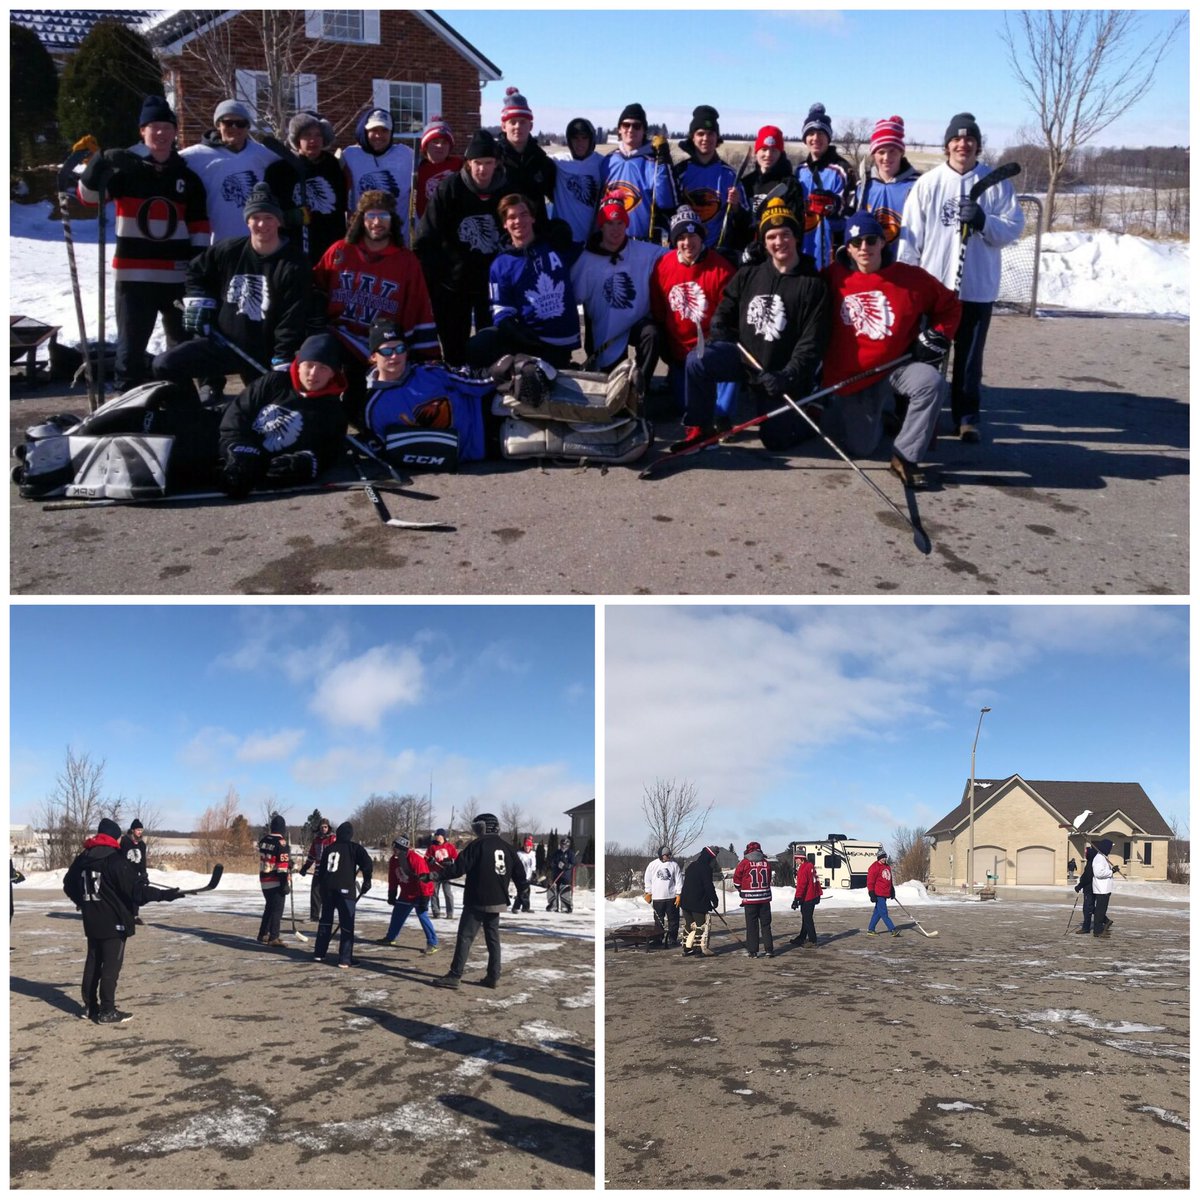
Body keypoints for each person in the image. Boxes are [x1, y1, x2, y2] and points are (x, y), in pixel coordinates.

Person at [897, 111, 1025, 442]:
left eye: (969, 139)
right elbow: (911, 237)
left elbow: (1013, 228)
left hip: (977, 288)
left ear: (978, 145)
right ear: (947, 145)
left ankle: (966, 418)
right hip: (935, 288)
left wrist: (983, 221)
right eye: (956, 139)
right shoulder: (929, 183)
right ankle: (924, 418)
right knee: (928, 355)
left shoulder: (995, 183)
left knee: (969, 360)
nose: (962, 144)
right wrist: (909, 282)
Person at [77, 94, 209, 391]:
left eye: (167, 127)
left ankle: (180, 404)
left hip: (176, 277)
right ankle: (127, 403)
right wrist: (100, 161)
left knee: (180, 349)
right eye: (154, 127)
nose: (161, 133)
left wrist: (196, 269)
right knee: (131, 349)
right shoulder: (126, 171)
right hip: (134, 278)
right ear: (142, 131)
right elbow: (88, 198)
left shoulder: (187, 178)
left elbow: (200, 228)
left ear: (175, 132)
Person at [820, 211, 962, 487]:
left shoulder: (911, 278)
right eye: (856, 242)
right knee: (862, 448)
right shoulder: (832, 277)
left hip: (897, 367)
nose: (864, 247)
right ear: (848, 248)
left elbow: (951, 306)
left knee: (931, 382)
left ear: (883, 242)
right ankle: (882, 414)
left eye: (871, 240)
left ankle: (905, 457)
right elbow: (798, 286)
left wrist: (940, 335)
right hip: (853, 378)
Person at [680, 197, 830, 451]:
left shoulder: (813, 284)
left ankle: (811, 412)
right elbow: (727, 305)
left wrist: (788, 374)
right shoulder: (750, 273)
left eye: (785, 234)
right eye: (771, 237)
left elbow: (811, 342)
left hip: (779, 372)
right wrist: (719, 322)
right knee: (698, 360)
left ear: (796, 237)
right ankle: (700, 427)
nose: (779, 242)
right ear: (764, 241)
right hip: (746, 359)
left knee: (775, 440)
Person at [153, 183, 311, 406]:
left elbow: (291, 318)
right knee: (165, 364)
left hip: (263, 352)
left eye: (268, 217)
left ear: (279, 220)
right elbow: (196, 272)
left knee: (270, 408)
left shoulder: (293, 264)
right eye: (255, 218)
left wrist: (282, 358)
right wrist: (200, 303)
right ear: (247, 221)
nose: (262, 224)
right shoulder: (228, 250)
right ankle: (192, 417)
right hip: (222, 344)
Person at [313, 188, 439, 418]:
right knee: (318, 353)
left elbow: (418, 308)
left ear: (393, 221)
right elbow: (314, 290)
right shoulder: (340, 251)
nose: (377, 222)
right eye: (371, 215)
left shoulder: (406, 261)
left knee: (364, 407)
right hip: (339, 337)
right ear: (361, 220)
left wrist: (426, 355)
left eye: (384, 216)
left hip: (380, 346)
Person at [63, 816, 184, 1023]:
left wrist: (83, 902)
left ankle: (90, 1007)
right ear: (113, 837)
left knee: (93, 962)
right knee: (111, 966)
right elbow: (137, 892)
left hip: (92, 920)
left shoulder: (84, 857)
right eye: (118, 837)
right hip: (114, 922)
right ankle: (107, 1010)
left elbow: (68, 884)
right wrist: (165, 895)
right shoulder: (114, 860)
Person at [413, 130, 508, 365]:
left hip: (492, 283)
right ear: (468, 163)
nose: (483, 169)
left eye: (488, 163)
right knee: (454, 348)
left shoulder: (507, 188)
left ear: (496, 163)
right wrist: (435, 279)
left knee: (492, 350)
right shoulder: (450, 189)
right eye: (478, 163)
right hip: (453, 283)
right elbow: (427, 238)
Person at [216, 332, 348, 498]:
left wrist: (306, 463)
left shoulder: (332, 410)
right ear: (298, 364)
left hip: (272, 465)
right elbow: (237, 414)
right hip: (232, 445)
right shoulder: (275, 382)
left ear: (333, 373)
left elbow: (332, 449)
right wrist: (237, 449)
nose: (313, 373)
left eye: (323, 368)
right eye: (309, 365)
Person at [469, 193, 580, 369]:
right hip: (527, 341)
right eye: (512, 217)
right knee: (480, 344)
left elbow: (594, 252)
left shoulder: (554, 246)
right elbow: (501, 311)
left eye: (523, 214)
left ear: (533, 218)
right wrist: (512, 330)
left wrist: (588, 240)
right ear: (504, 224)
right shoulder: (501, 264)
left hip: (559, 340)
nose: (518, 221)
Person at [362, 317, 490, 468]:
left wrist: (500, 374)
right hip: (473, 454)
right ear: (373, 356)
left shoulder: (428, 371)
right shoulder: (374, 406)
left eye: (400, 349)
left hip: (486, 415)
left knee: (487, 339)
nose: (395, 356)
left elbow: (475, 383)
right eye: (387, 351)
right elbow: (382, 450)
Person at [649, 205, 736, 420]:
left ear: (701, 237)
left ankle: (723, 412)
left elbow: (732, 315)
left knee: (719, 414)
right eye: (681, 237)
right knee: (689, 411)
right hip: (681, 353)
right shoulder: (663, 265)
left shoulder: (721, 268)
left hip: (713, 349)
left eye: (692, 236)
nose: (688, 243)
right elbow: (659, 308)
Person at [570, 194, 665, 388]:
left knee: (652, 334)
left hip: (637, 321)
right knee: (611, 382)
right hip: (607, 329)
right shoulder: (586, 259)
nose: (615, 229)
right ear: (602, 226)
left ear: (626, 224)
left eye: (620, 223)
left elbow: (677, 256)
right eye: (610, 223)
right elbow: (571, 298)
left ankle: (641, 388)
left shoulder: (644, 251)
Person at [429, 813, 525, 989]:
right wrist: (523, 893)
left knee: (465, 937)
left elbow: (458, 869)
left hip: (477, 899)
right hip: (498, 900)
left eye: (477, 827)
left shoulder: (477, 845)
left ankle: (455, 975)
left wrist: (435, 875)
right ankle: (493, 976)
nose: (475, 831)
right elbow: (520, 874)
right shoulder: (508, 847)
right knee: (493, 938)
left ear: (485, 827)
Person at [182, 99, 281, 242]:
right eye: (228, 123)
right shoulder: (196, 155)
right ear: (218, 125)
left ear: (248, 126)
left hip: (255, 241)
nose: (234, 128)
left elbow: (291, 167)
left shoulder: (262, 153)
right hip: (216, 241)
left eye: (240, 123)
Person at [265, 110, 347, 266]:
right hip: (293, 249)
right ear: (297, 139)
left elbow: (341, 205)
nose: (313, 140)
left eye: (318, 135)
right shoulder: (279, 170)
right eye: (307, 135)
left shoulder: (332, 166)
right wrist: (289, 217)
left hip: (329, 246)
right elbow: (267, 211)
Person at [672, 105, 745, 254]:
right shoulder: (679, 172)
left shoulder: (729, 175)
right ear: (693, 137)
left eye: (711, 133)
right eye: (700, 134)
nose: (705, 138)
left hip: (718, 251)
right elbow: (669, 209)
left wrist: (736, 206)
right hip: (685, 251)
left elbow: (745, 220)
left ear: (717, 137)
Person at [795, 102, 858, 270]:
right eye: (811, 133)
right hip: (802, 251)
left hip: (830, 253)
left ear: (828, 138)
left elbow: (853, 211)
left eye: (821, 133)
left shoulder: (842, 170)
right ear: (805, 138)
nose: (816, 138)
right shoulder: (799, 171)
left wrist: (834, 205)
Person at [604, 102, 678, 242]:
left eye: (637, 126)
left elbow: (666, 202)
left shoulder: (653, 162)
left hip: (642, 241)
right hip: (610, 240)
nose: (631, 129)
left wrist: (664, 160)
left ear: (644, 130)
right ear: (619, 129)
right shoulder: (607, 161)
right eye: (626, 125)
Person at [340, 106, 415, 245]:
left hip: (397, 239)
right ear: (365, 131)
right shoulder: (349, 156)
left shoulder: (406, 155)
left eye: (384, 130)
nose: (379, 136)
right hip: (362, 239)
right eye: (374, 130)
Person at [730, 125, 806, 261]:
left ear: (780, 153)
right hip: (748, 254)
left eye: (774, 150)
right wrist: (735, 207)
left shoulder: (789, 184)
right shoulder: (747, 183)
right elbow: (741, 223)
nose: (768, 155)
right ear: (756, 152)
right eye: (764, 149)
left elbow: (794, 223)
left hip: (776, 253)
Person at [312, 821, 374, 968]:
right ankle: (345, 959)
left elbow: (321, 871)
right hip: (345, 891)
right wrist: (367, 880)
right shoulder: (354, 848)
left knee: (325, 921)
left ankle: (319, 953)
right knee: (347, 923)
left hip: (328, 889)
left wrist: (323, 887)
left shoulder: (329, 848)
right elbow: (367, 864)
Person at [853, 116, 920, 248]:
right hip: (870, 256)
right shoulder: (864, 185)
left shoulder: (917, 185)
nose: (886, 157)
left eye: (892, 151)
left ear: (901, 152)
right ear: (873, 154)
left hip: (904, 256)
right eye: (881, 152)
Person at [495, 87, 556, 223]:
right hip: (502, 231)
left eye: (523, 122)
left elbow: (558, 198)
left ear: (530, 126)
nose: (518, 126)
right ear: (504, 126)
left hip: (536, 231)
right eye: (513, 122)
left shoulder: (542, 161)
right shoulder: (493, 160)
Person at [377, 834, 438, 953]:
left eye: (396, 848)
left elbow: (424, 881)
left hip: (420, 893)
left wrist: (425, 898)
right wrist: (392, 893)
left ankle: (432, 943)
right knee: (397, 914)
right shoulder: (394, 860)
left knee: (422, 916)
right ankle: (390, 938)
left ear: (402, 849)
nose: (393, 850)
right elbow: (393, 878)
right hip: (406, 893)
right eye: (393, 848)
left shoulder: (415, 859)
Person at [552, 118, 607, 249]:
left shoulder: (603, 163)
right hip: (563, 240)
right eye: (575, 138)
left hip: (593, 240)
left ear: (591, 140)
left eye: (584, 138)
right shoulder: (558, 162)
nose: (580, 143)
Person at [415, 116, 463, 222]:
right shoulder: (417, 168)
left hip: (452, 221)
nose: (440, 145)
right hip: (424, 222)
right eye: (435, 141)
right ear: (426, 146)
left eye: (444, 142)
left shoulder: (459, 165)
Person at [732, 840, 774, 957]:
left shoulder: (744, 863)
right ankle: (769, 950)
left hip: (750, 900)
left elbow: (736, 880)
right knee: (766, 925)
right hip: (764, 898)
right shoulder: (766, 863)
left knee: (752, 926)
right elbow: (768, 878)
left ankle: (753, 951)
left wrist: (741, 889)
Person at [256, 813, 292, 947]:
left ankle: (263, 934)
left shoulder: (264, 840)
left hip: (264, 879)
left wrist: (288, 862)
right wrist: (284, 884)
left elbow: (273, 857)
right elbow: (281, 867)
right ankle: (274, 937)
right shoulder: (282, 843)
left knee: (269, 908)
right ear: (283, 828)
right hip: (275, 880)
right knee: (277, 909)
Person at [679, 845, 721, 957]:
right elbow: (708, 886)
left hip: (685, 901)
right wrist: (714, 900)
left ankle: (687, 948)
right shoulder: (706, 868)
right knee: (700, 926)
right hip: (698, 902)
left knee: (689, 925)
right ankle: (699, 949)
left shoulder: (692, 865)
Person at [643, 846, 682, 947]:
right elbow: (647, 879)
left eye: (669, 855)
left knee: (673, 920)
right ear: (661, 855)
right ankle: (658, 939)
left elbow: (679, 880)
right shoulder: (652, 865)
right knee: (658, 921)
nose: (668, 857)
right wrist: (648, 892)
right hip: (657, 898)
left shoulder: (674, 865)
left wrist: (679, 894)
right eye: (666, 855)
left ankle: (672, 939)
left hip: (671, 897)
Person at [299, 818, 336, 922]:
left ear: (328, 828)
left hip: (329, 871)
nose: (323, 829)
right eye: (322, 827)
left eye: (325, 827)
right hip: (318, 871)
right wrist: (305, 867)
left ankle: (327, 917)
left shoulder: (333, 839)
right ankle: (314, 916)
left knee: (328, 895)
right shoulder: (316, 840)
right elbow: (312, 856)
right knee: (315, 893)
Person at [119, 818, 149, 926]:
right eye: (138, 830)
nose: (140, 832)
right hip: (124, 874)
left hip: (136, 875)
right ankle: (121, 915)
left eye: (141, 830)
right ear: (133, 830)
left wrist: (144, 873)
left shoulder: (142, 845)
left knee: (136, 894)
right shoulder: (124, 841)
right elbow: (118, 857)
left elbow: (142, 860)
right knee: (123, 895)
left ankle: (135, 916)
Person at [790, 852, 823, 947]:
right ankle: (802, 937)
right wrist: (818, 894)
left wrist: (796, 898)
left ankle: (812, 940)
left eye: (797, 858)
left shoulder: (803, 868)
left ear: (802, 859)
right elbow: (816, 882)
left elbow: (802, 885)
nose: (796, 860)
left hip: (808, 896)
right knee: (806, 917)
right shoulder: (810, 866)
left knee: (807, 919)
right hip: (813, 895)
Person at [426, 828, 459, 919]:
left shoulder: (450, 846)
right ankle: (436, 911)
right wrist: (430, 860)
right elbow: (426, 858)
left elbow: (456, 858)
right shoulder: (432, 847)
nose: (437, 837)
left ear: (443, 836)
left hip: (446, 873)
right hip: (435, 873)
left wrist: (451, 861)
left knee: (447, 893)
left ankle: (450, 912)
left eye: (438, 835)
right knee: (433, 893)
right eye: (436, 835)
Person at [865, 848, 899, 936]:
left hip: (885, 893)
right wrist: (871, 892)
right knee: (884, 912)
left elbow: (889, 880)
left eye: (885, 857)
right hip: (878, 894)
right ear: (879, 858)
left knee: (878, 913)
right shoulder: (874, 867)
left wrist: (892, 890)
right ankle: (892, 929)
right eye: (882, 857)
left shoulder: (887, 866)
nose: (884, 859)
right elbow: (870, 881)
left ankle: (871, 929)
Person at [1090, 839, 1117, 938]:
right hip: (1101, 889)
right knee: (1100, 911)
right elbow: (1098, 873)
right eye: (1110, 847)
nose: (1110, 849)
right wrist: (1111, 872)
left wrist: (1112, 870)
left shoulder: (1103, 857)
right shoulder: (1099, 858)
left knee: (1102, 911)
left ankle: (1100, 929)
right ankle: (1097, 931)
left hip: (1105, 889)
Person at [547, 836, 578, 914]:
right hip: (556, 875)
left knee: (565, 891)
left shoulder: (570, 853)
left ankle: (566, 907)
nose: (563, 846)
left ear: (568, 845)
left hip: (566, 876)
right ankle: (553, 906)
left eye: (565, 845)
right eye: (562, 844)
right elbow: (552, 862)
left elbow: (573, 863)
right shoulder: (557, 853)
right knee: (554, 891)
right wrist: (557, 864)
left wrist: (566, 866)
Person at [1073, 845, 1097, 934]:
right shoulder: (1091, 862)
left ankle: (1086, 927)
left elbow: (1087, 877)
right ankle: (1106, 920)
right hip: (1091, 888)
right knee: (1091, 907)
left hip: (1089, 889)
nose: (1085, 854)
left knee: (1087, 908)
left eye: (1086, 853)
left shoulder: (1091, 864)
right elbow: (1085, 875)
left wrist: (1080, 886)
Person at [512, 835, 537, 913]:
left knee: (526, 891)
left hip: (528, 875)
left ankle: (524, 907)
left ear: (531, 847)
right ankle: (516, 907)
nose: (527, 848)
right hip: (520, 875)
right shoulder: (519, 854)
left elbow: (533, 864)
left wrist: (534, 872)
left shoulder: (532, 854)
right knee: (523, 891)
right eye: (525, 846)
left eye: (528, 846)